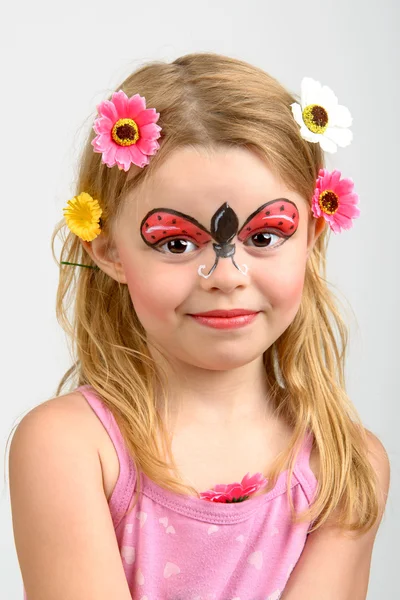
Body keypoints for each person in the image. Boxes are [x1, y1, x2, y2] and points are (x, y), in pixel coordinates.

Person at [8, 52, 390, 600]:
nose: (226, 277)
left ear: (313, 236)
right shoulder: (69, 447)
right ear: (109, 249)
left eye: (265, 237)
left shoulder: (344, 467)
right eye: (177, 244)